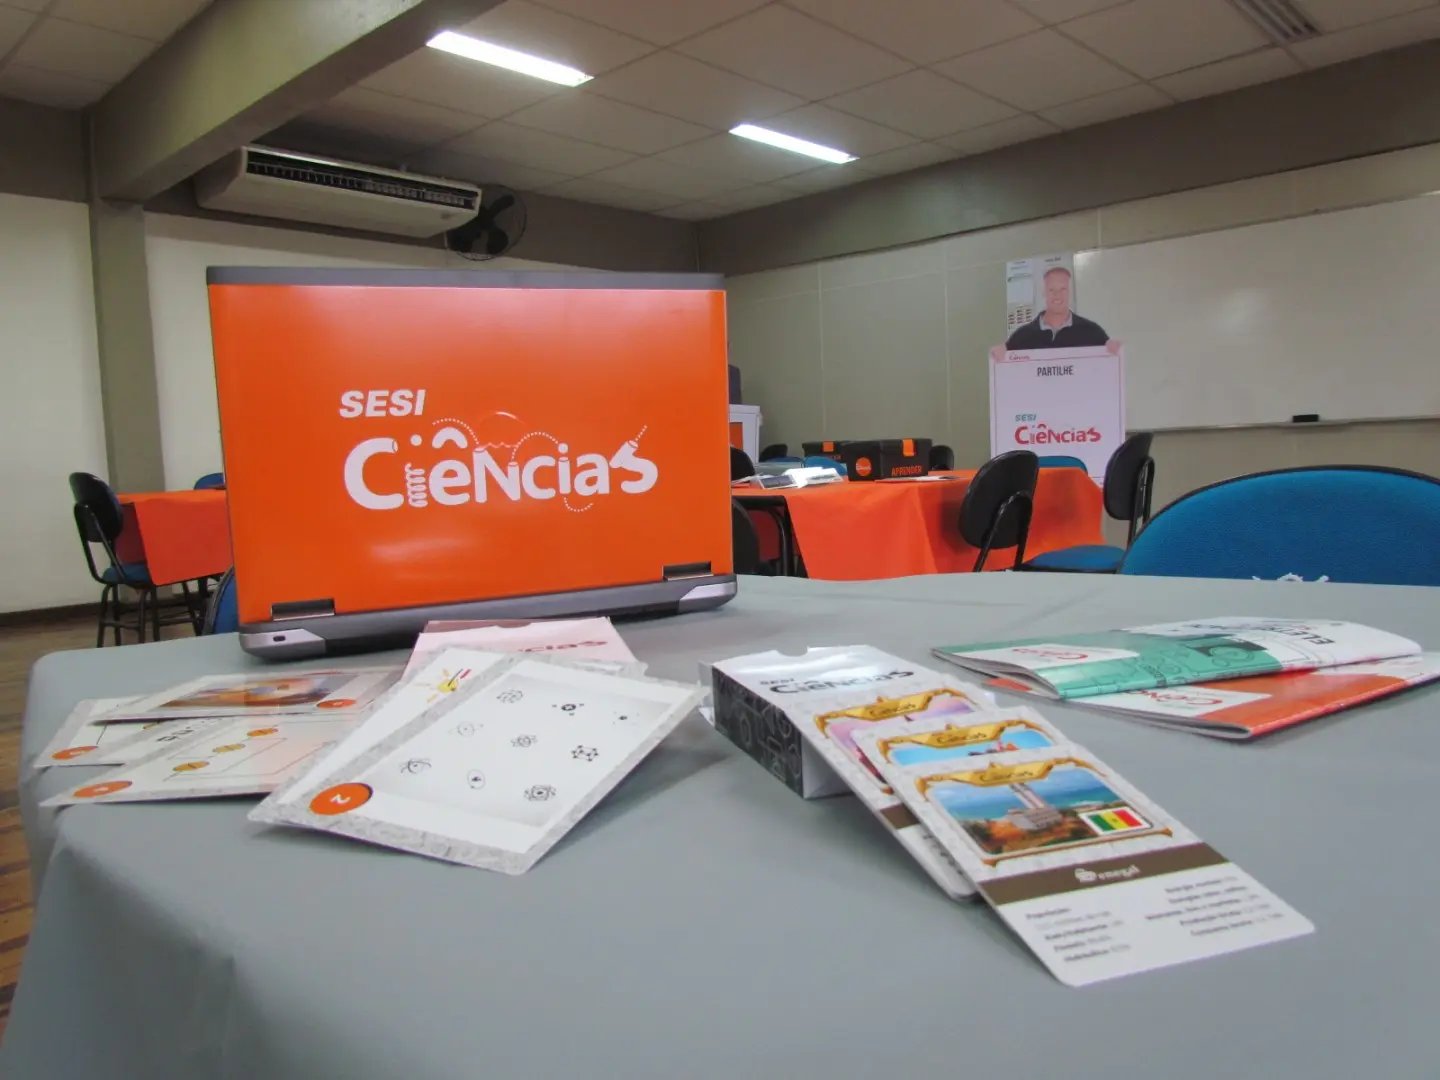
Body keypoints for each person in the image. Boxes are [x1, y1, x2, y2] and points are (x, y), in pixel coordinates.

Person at [991, 267, 1121, 359]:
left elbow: (1108, 364)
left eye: (1063, 289)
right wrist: (1000, 353)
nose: (1057, 295)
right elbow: (1007, 366)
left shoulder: (1092, 332)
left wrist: (1114, 349)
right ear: (1044, 292)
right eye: (1051, 290)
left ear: (1069, 292)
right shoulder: (1022, 336)